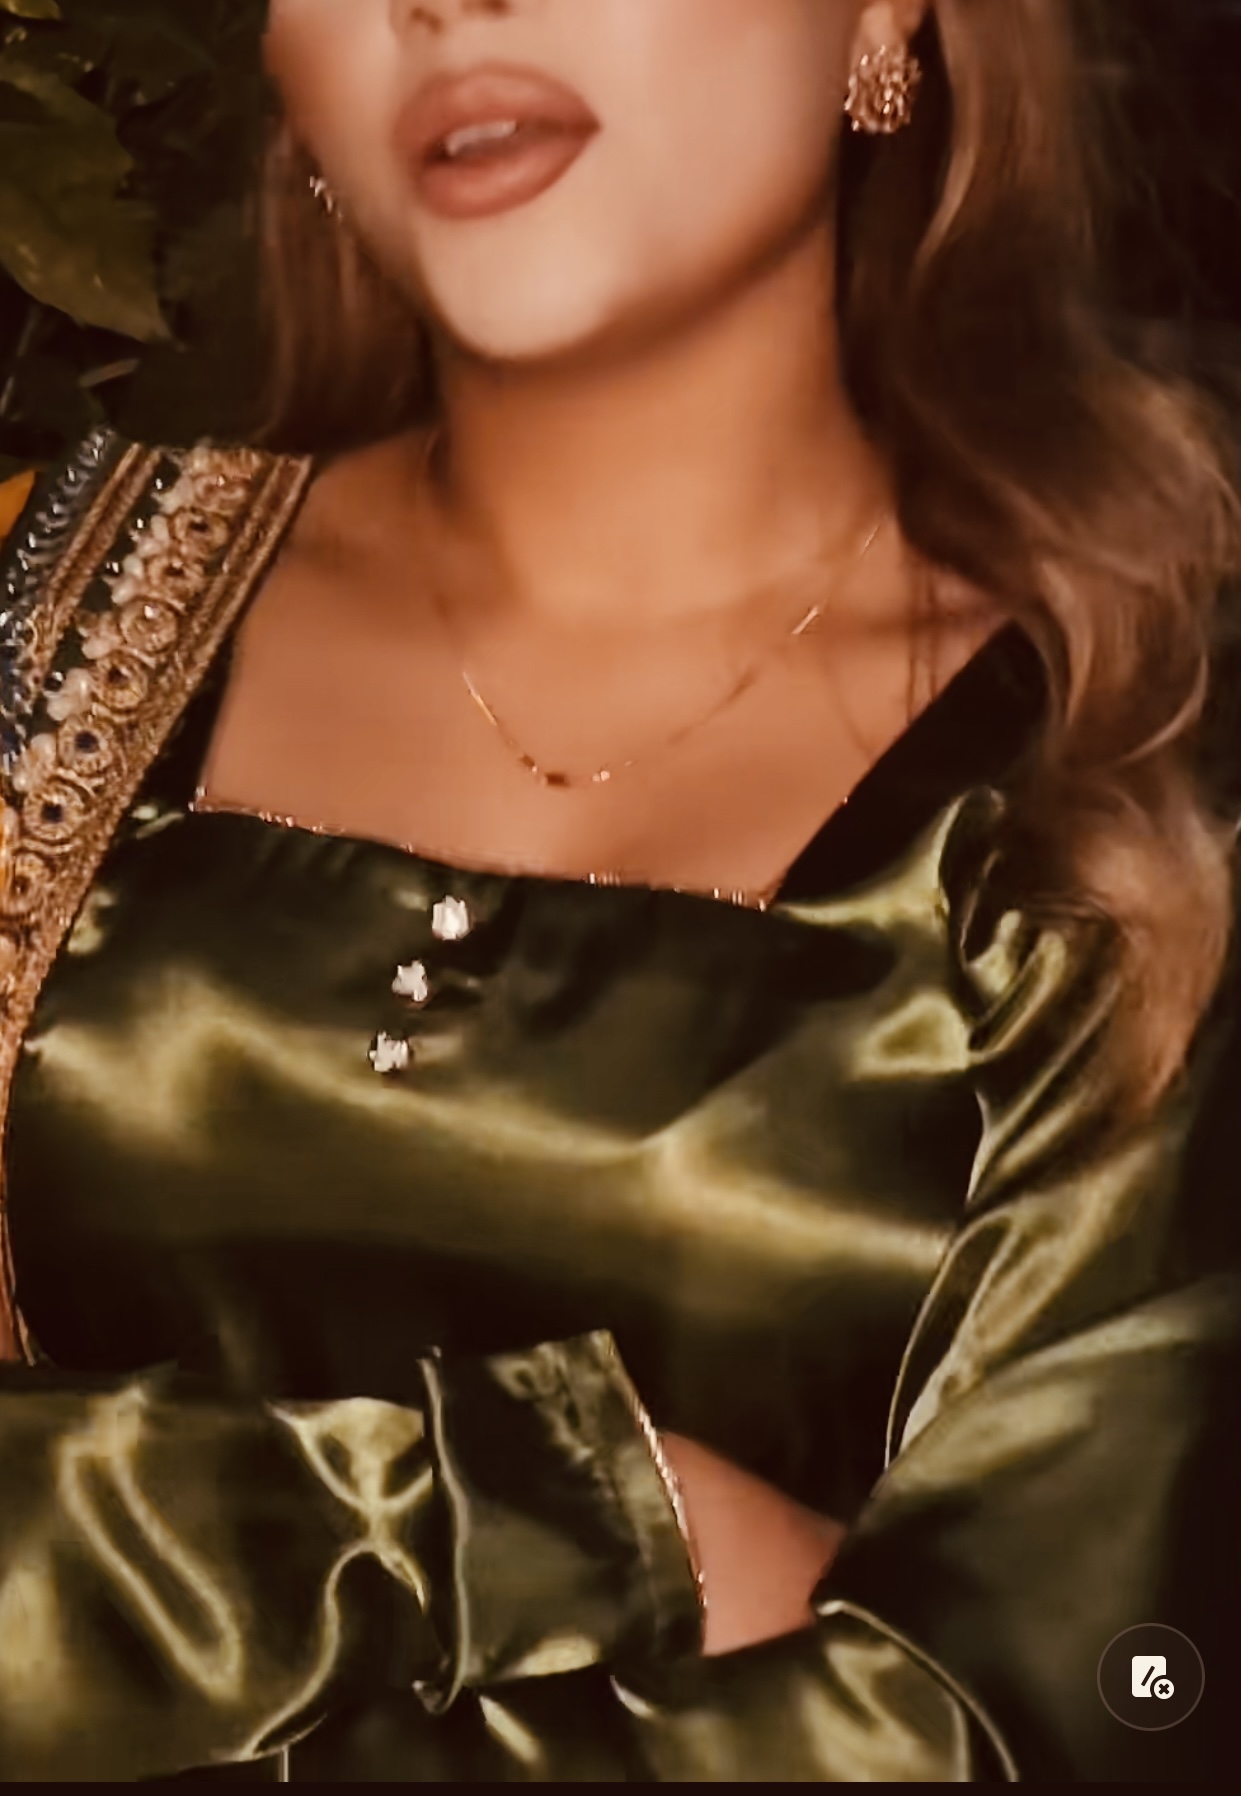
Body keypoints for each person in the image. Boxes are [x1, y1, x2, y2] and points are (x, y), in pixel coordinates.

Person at [1, 0, 1239, 1780]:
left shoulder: (1142, 779)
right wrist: (541, 1520)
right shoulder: (46, 602)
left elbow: (1059, 1710)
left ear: (883, 17)